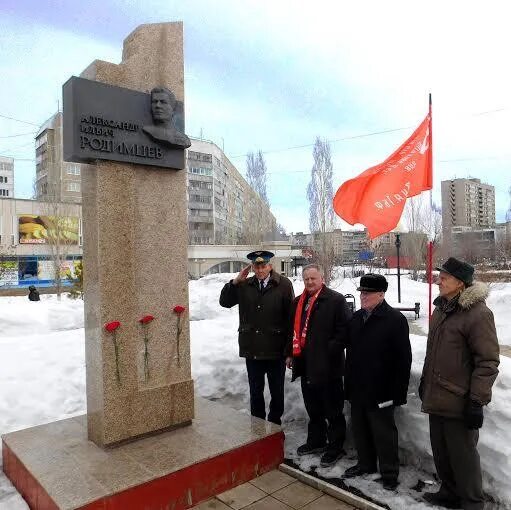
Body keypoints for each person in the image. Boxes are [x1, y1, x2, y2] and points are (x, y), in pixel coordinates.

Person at [420, 257, 499, 510]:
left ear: (460, 283)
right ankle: (450, 492)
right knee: (441, 453)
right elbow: (432, 351)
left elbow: (487, 362)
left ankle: (472, 503)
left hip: (459, 400)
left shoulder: (478, 314)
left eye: (444, 278)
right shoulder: (441, 309)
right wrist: (425, 381)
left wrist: (476, 401)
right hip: (437, 396)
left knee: (463, 458)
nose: (438, 281)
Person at [343, 274, 411, 491]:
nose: (363, 297)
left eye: (368, 293)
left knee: (384, 433)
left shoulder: (394, 320)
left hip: (381, 390)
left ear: (381, 294)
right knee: (360, 429)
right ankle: (366, 464)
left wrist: (397, 393)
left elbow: (403, 360)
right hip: (357, 386)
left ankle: (389, 473)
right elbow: (346, 347)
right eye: (361, 292)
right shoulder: (356, 318)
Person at [286, 264, 352, 467]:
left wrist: (326, 351)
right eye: (306, 279)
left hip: (328, 367)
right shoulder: (299, 302)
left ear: (321, 278)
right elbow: (293, 331)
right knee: (313, 409)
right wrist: (290, 354)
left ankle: (335, 447)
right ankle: (316, 441)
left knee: (333, 411)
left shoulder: (336, 300)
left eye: (313, 278)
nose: (309, 282)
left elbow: (344, 332)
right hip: (306, 365)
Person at [219, 250, 294, 425]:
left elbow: (291, 318)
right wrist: (235, 282)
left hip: (276, 350)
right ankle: (258, 427)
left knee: (277, 392)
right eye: (256, 266)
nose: (260, 270)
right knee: (255, 391)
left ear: (270, 266)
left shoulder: (283, 284)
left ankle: (275, 425)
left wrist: (289, 349)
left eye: (263, 266)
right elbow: (224, 302)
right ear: (252, 267)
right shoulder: (244, 284)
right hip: (252, 348)